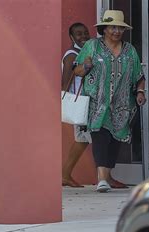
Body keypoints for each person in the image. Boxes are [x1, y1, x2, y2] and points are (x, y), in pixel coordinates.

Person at [74, 10, 146, 192]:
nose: (117, 31)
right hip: (97, 103)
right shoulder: (92, 46)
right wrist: (87, 65)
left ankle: (106, 176)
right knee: (100, 137)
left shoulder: (130, 50)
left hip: (122, 105)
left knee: (115, 139)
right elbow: (77, 71)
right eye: (113, 27)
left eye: (120, 28)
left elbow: (139, 76)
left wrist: (140, 92)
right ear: (104, 29)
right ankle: (102, 179)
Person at [61, 22, 90, 187]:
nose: (84, 36)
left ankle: (65, 174)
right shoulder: (72, 54)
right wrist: (69, 101)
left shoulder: (85, 52)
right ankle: (65, 174)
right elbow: (65, 81)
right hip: (80, 103)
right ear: (71, 37)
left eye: (85, 32)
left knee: (84, 139)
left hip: (86, 101)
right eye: (79, 34)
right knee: (82, 138)